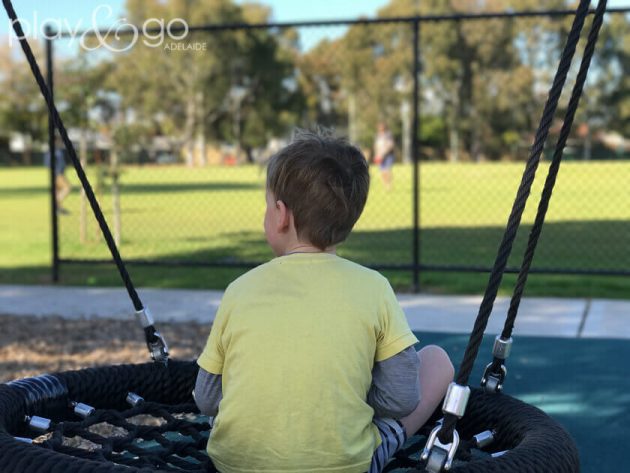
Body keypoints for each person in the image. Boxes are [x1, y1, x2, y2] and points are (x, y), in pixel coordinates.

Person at [195, 130, 454, 473]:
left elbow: (207, 398)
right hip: (345, 465)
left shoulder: (239, 290)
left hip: (235, 463)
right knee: (438, 361)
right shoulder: (374, 288)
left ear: (281, 215)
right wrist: (351, 394)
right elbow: (402, 397)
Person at [44, 137, 71, 214]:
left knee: (58, 191)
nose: (60, 142)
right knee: (67, 188)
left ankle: (58, 209)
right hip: (57, 174)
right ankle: (56, 204)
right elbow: (48, 163)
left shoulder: (58, 150)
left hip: (60, 173)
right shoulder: (52, 151)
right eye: (58, 140)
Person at [373, 122, 395, 191]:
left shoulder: (388, 135)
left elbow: (390, 145)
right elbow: (376, 146)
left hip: (388, 155)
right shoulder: (377, 136)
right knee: (382, 171)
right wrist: (377, 154)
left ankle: (389, 185)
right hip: (380, 156)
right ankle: (385, 185)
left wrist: (383, 154)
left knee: (387, 170)